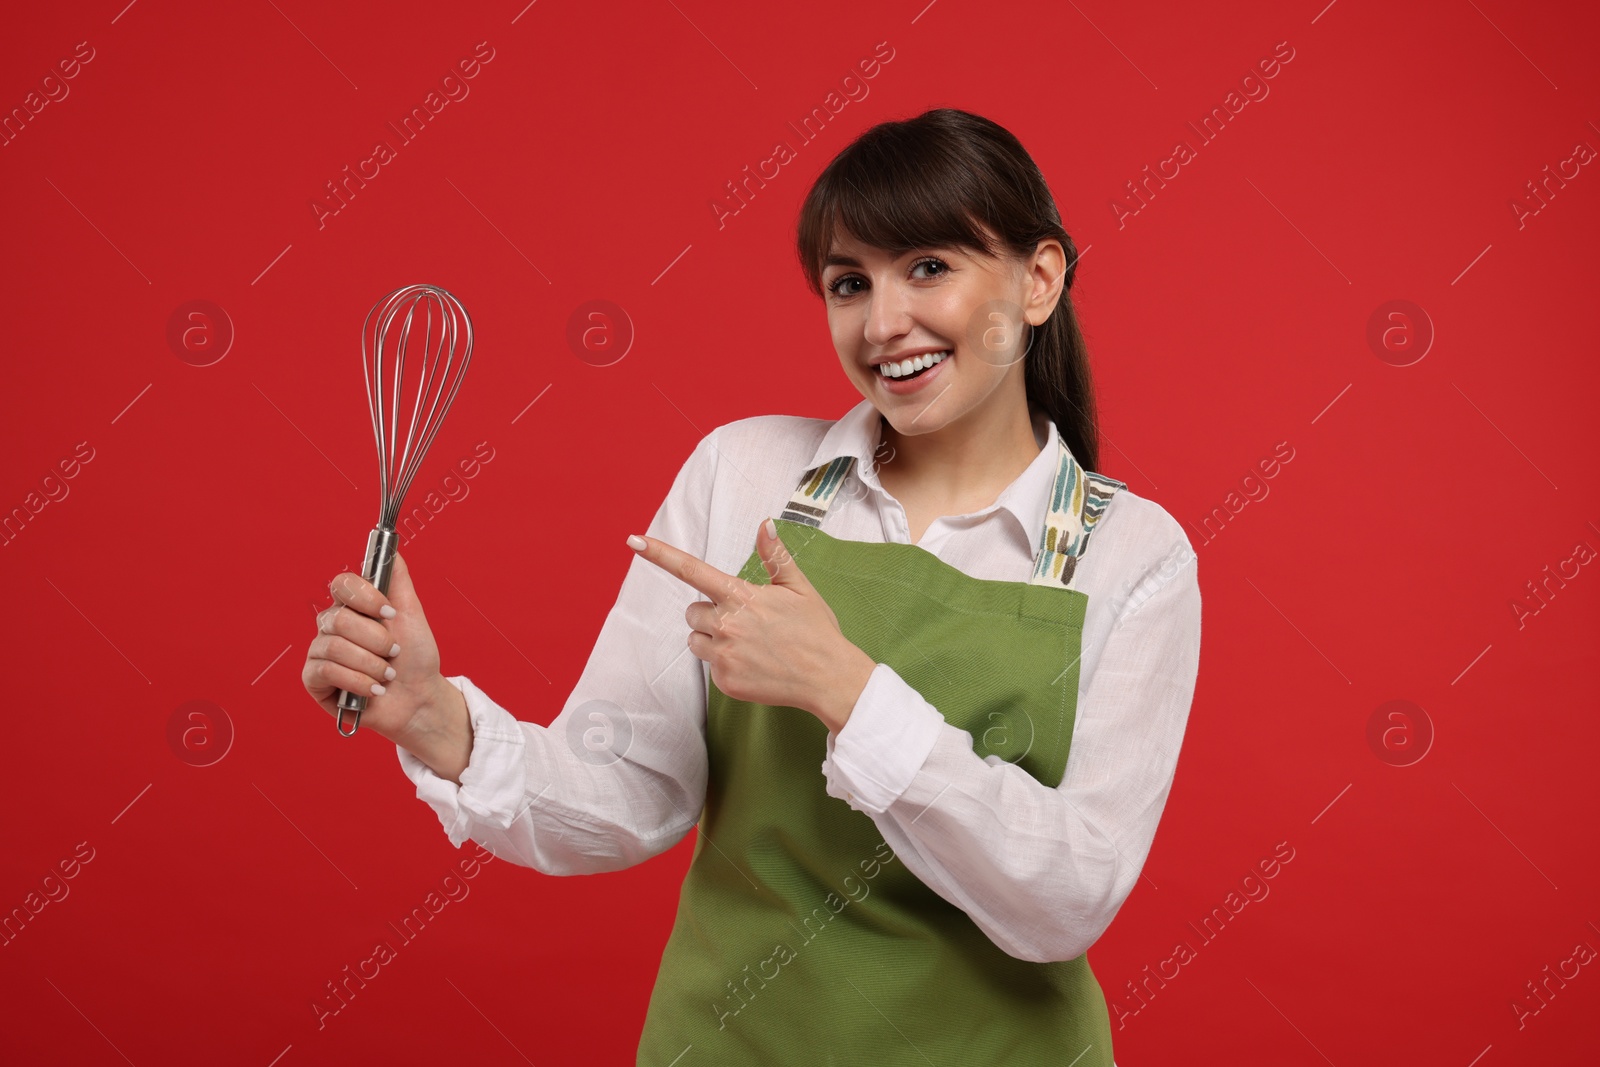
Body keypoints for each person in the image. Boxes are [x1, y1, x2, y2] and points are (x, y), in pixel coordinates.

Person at [301, 107, 1200, 1065]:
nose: (883, 322)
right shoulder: (744, 472)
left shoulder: (1132, 556)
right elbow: (630, 790)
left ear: (1039, 280)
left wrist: (847, 691)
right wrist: (437, 719)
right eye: (848, 283)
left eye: (928, 267)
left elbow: (1070, 897)